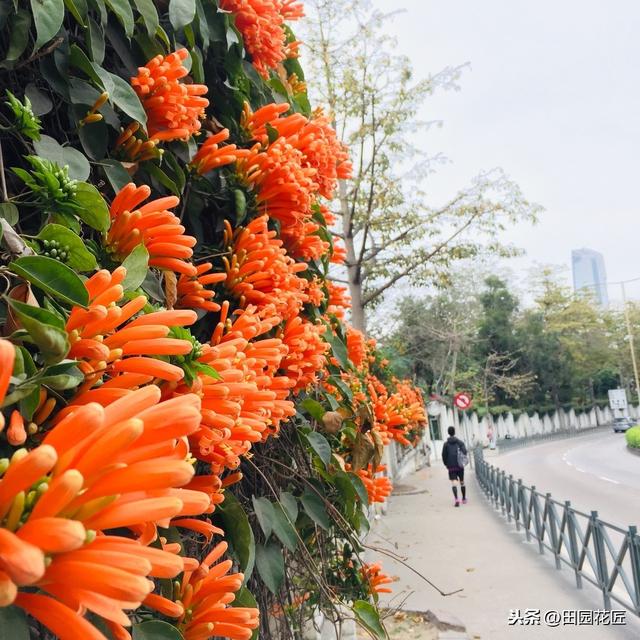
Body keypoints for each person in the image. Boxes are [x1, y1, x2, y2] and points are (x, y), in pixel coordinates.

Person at [441, 426, 468, 507]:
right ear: (454, 432)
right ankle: (463, 499)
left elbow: (443, 455)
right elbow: (465, 452)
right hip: (460, 465)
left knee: (454, 483)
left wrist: (446, 464)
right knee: (462, 482)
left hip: (451, 466)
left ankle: (456, 500)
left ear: (448, 433)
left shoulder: (446, 444)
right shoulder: (460, 442)